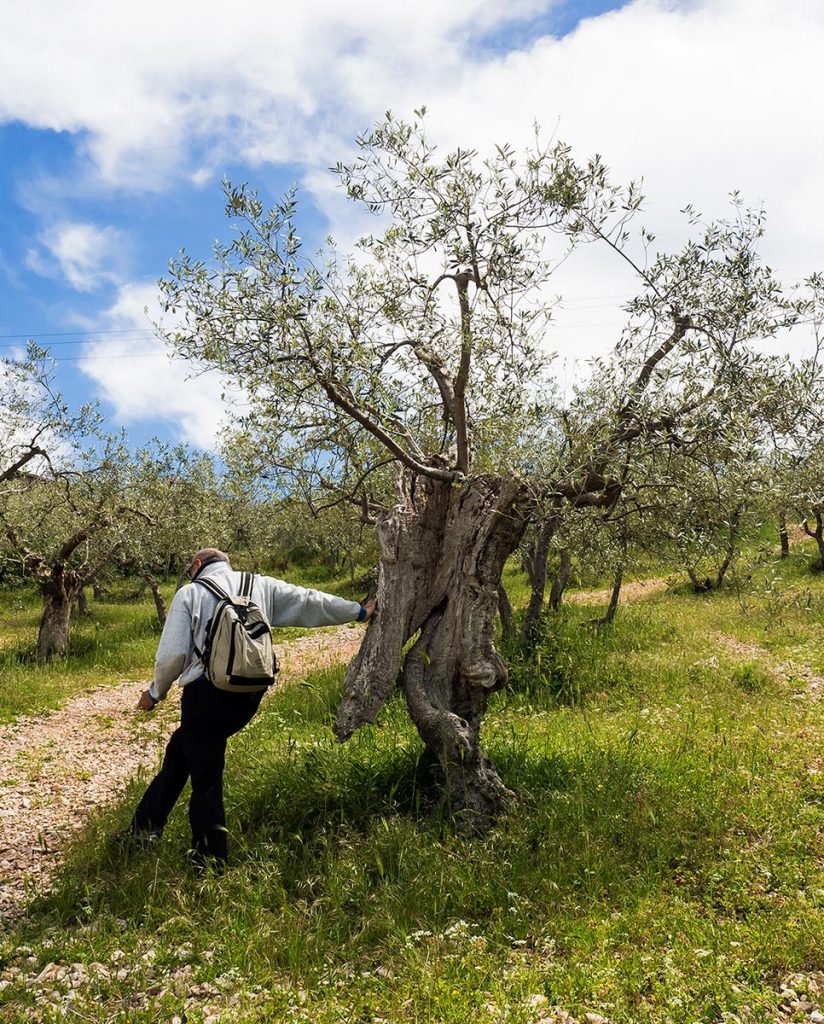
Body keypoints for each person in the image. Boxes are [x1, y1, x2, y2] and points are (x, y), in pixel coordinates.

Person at [122, 547, 375, 868]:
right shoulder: (260, 585)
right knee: (181, 750)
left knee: (206, 780)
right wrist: (358, 612)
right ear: (226, 564)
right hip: (249, 694)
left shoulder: (190, 593)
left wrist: (155, 693)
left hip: (206, 695)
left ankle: (209, 863)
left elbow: (172, 656)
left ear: (198, 565)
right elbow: (310, 601)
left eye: (191, 569)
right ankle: (144, 828)